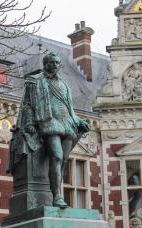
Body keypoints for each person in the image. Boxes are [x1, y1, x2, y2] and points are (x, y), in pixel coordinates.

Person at [7, 52, 89, 208]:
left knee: (63, 160)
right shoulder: (35, 81)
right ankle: (57, 197)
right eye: (52, 62)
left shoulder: (65, 85)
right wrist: (30, 123)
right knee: (57, 156)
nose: (56, 65)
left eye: (58, 62)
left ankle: (55, 191)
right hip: (49, 122)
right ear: (45, 64)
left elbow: (70, 108)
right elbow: (27, 105)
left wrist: (79, 121)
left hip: (67, 124)